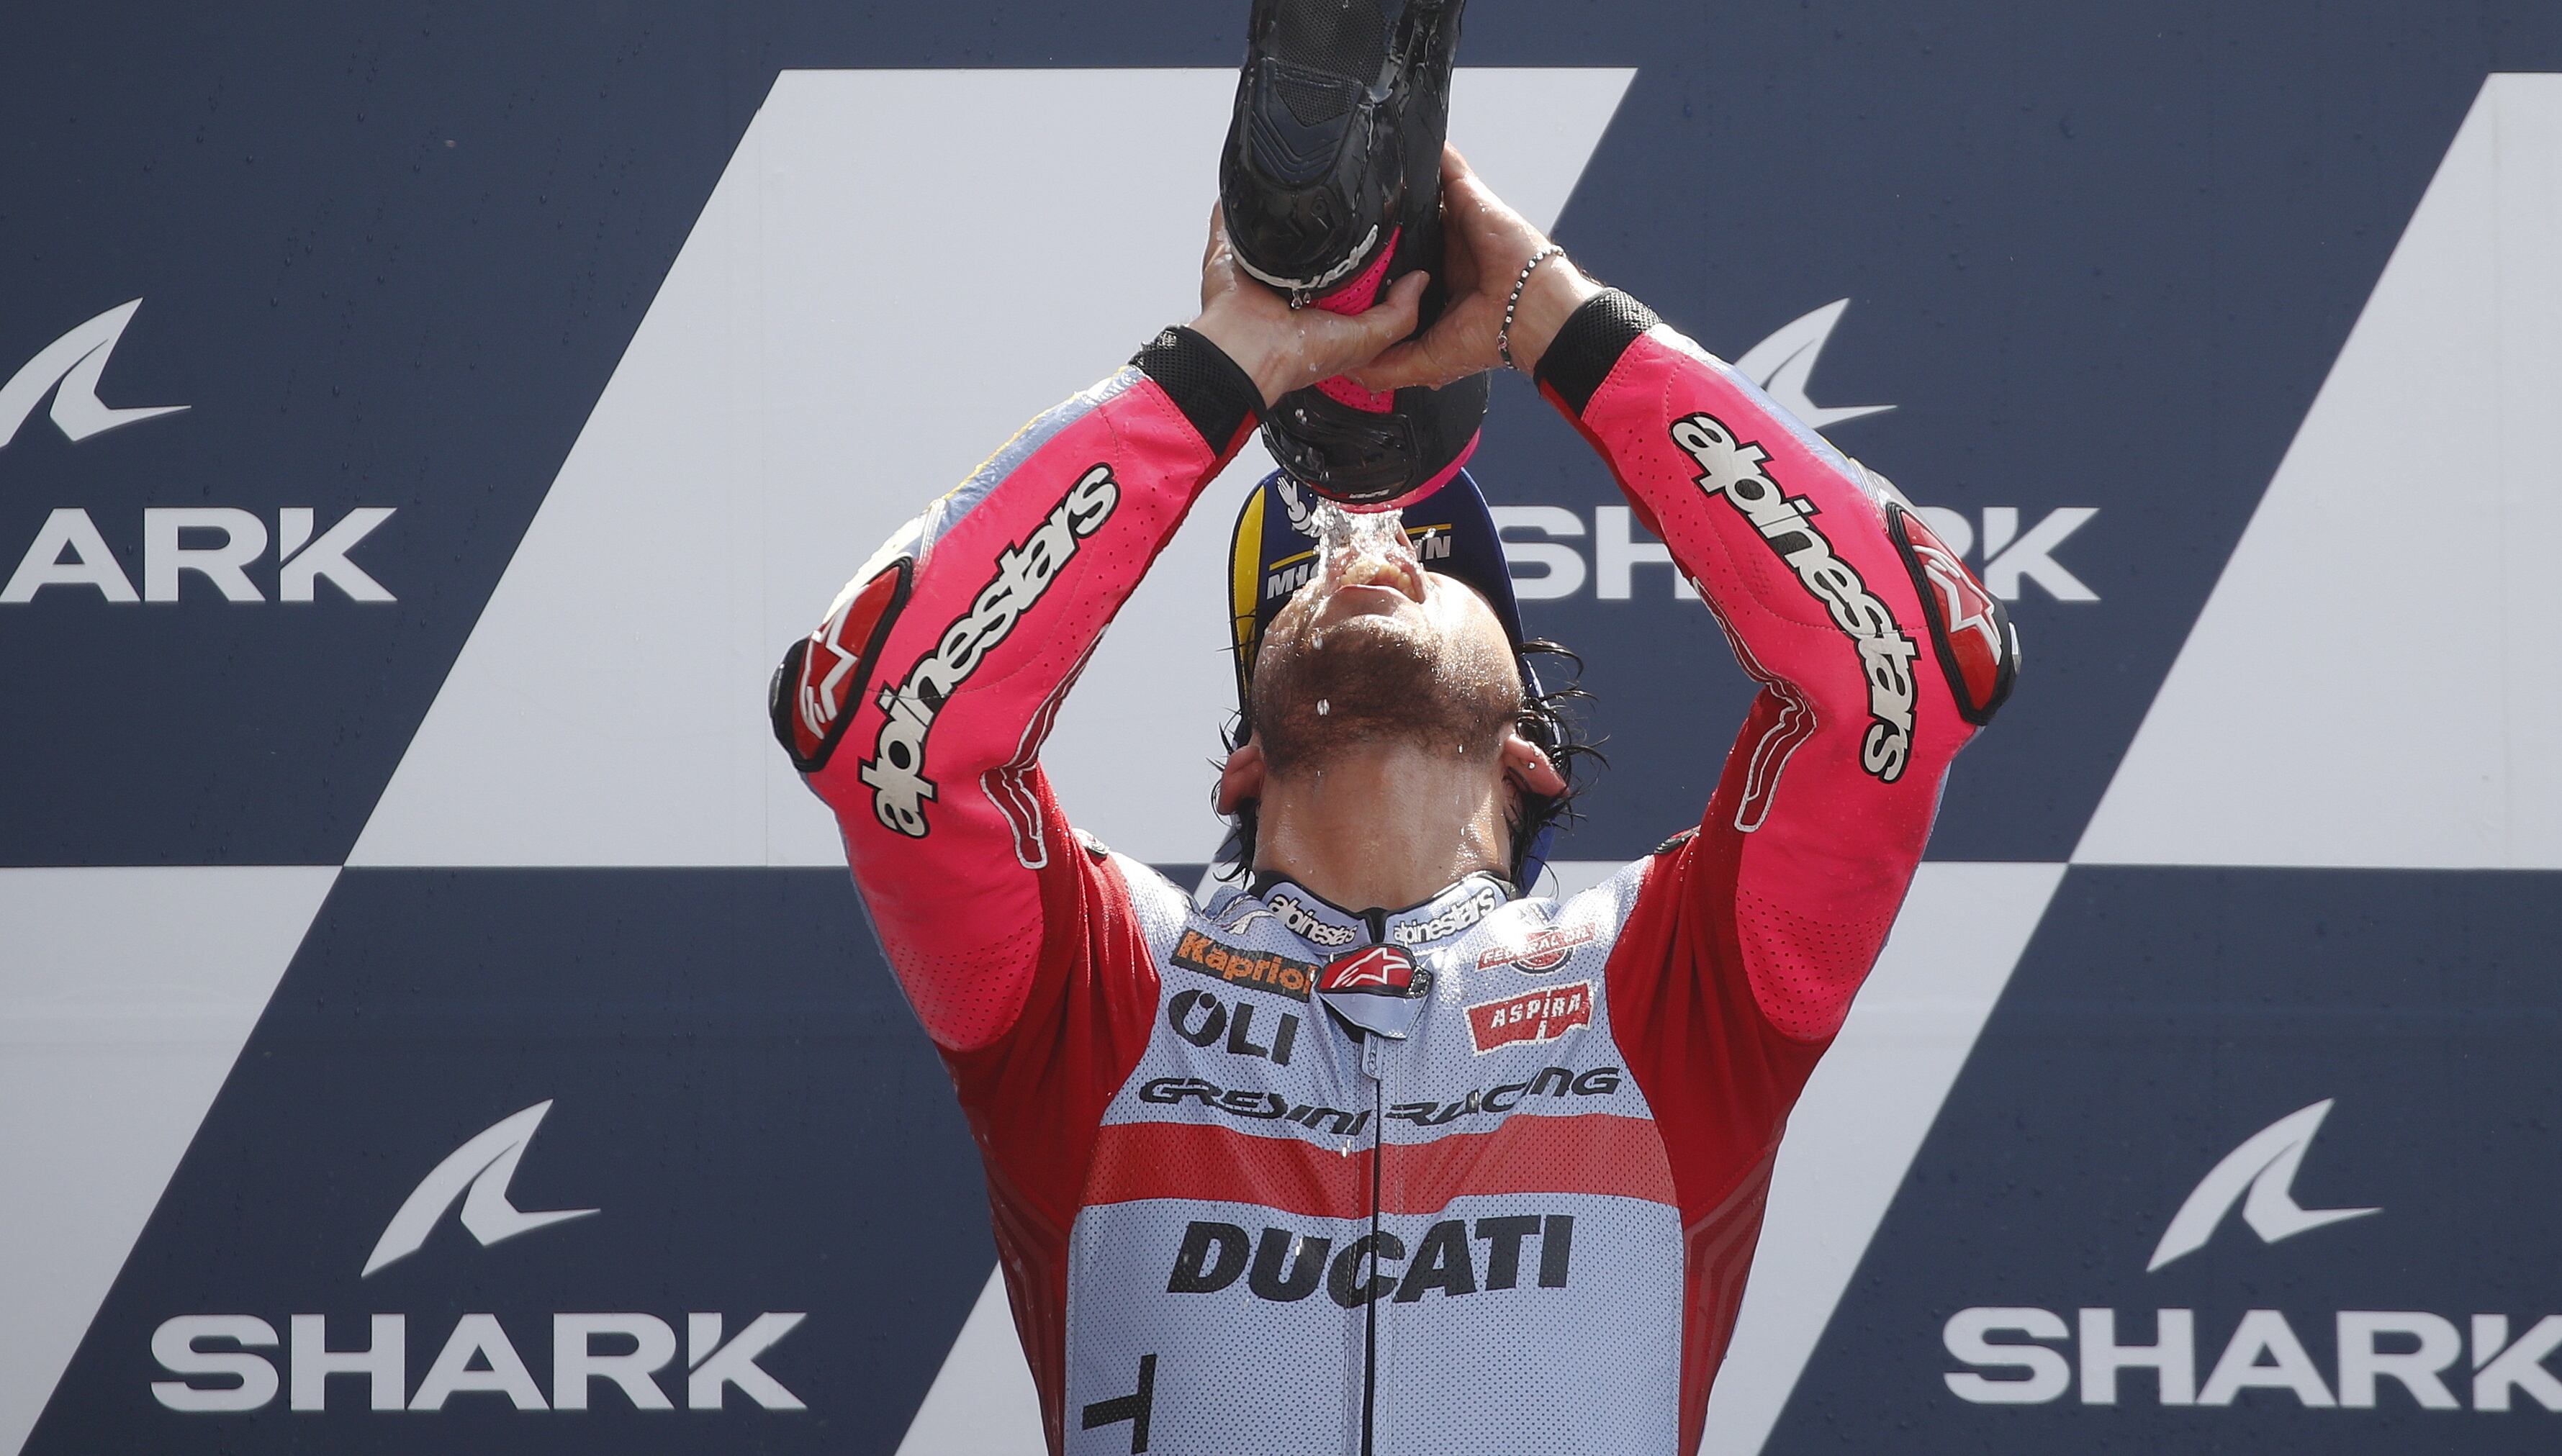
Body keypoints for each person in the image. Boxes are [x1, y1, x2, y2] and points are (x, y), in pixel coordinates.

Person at [770, 147, 2017, 1454]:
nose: (1364, 547)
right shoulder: (1099, 995)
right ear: (1242, 759)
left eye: (1432, 559)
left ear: (1528, 754)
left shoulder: (1667, 987)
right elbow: (877, 721)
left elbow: (1911, 673)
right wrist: (1225, 362)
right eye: (1309, 569)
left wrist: (1557, 322)